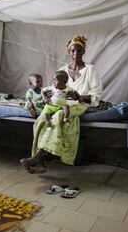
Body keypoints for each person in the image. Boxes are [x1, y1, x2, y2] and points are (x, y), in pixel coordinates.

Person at [20, 35, 103, 173]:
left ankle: (38, 157)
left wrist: (79, 96)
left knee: (59, 115)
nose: (76, 54)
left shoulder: (90, 70)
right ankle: (39, 161)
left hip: (79, 104)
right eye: (73, 51)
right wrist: (48, 96)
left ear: (84, 51)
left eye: (79, 50)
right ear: (69, 52)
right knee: (41, 118)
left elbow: (96, 96)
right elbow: (54, 88)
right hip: (59, 102)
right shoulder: (63, 69)